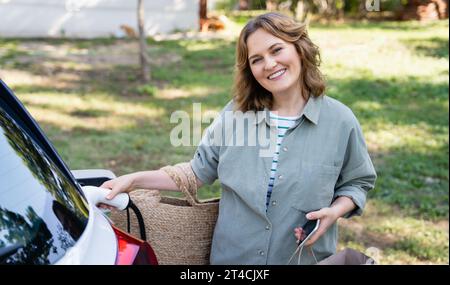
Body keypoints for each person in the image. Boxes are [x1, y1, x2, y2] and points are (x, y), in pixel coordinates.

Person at [101, 12, 377, 265]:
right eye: (257, 59)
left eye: (277, 49)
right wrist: (134, 180)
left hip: (302, 258)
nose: (270, 64)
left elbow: (357, 182)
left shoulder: (341, 121)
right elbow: (198, 172)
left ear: (299, 48)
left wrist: (334, 212)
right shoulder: (236, 114)